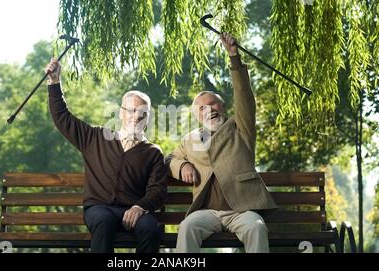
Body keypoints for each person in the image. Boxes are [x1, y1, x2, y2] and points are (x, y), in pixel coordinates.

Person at [168, 33, 277, 253]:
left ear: (223, 107)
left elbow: (244, 96)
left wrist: (234, 57)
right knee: (187, 227)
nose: (208, 109)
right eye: (201, 108)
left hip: (242, 210)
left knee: (257, 227)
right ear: (197, 116)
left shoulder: (241, 127)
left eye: (213, 104)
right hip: (207, 212)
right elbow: (169, 159)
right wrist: (182, 166)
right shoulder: (189, 140)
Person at [45, 58, 167, 253]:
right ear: (121, 113)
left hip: (134, 211)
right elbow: (63, 118)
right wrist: (54, 82)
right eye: (131, 110)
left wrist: (139, 207)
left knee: (151, 228)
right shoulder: (96, 137)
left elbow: (157, 190)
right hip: (99, 209)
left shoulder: (152, 152)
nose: (136, 116)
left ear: (148, 118)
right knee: (104, 221)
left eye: (142, 113)